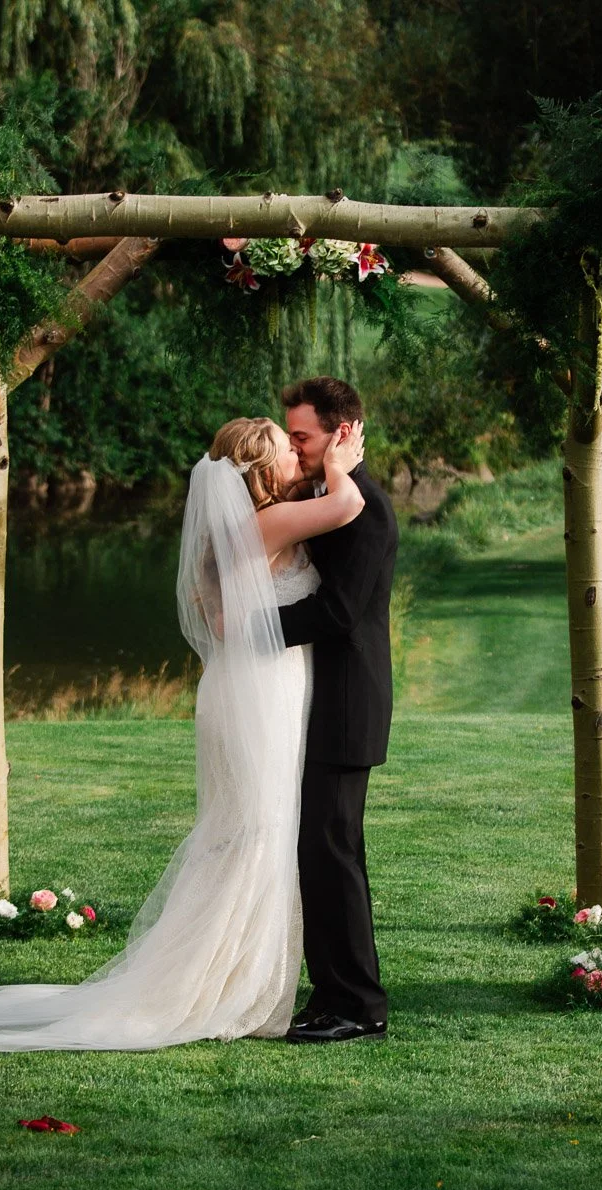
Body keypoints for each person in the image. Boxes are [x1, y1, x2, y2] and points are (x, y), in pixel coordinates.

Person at [0, 414, 364, 1051]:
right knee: (257, 830)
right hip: (261, 692)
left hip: (242, 687)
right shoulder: (267, 523)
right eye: (284, 453)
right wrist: (339, 464)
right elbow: (348, 505)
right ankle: (221, 987)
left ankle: (221, 975)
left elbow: (219, 617)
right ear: (258, 471)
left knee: (241, 829)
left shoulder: (230, 531)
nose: (294, 463)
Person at [278, 377, 398, 1044]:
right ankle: (331, 994)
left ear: (341, 433)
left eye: (302, 437)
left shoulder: (366, 508)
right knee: (319, 851)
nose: (293, 447)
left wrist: (251, 626)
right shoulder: (327, 496)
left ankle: (358, 1005)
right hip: (318, 703)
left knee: (332, 852)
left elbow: (338, 611)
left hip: (347, 705)